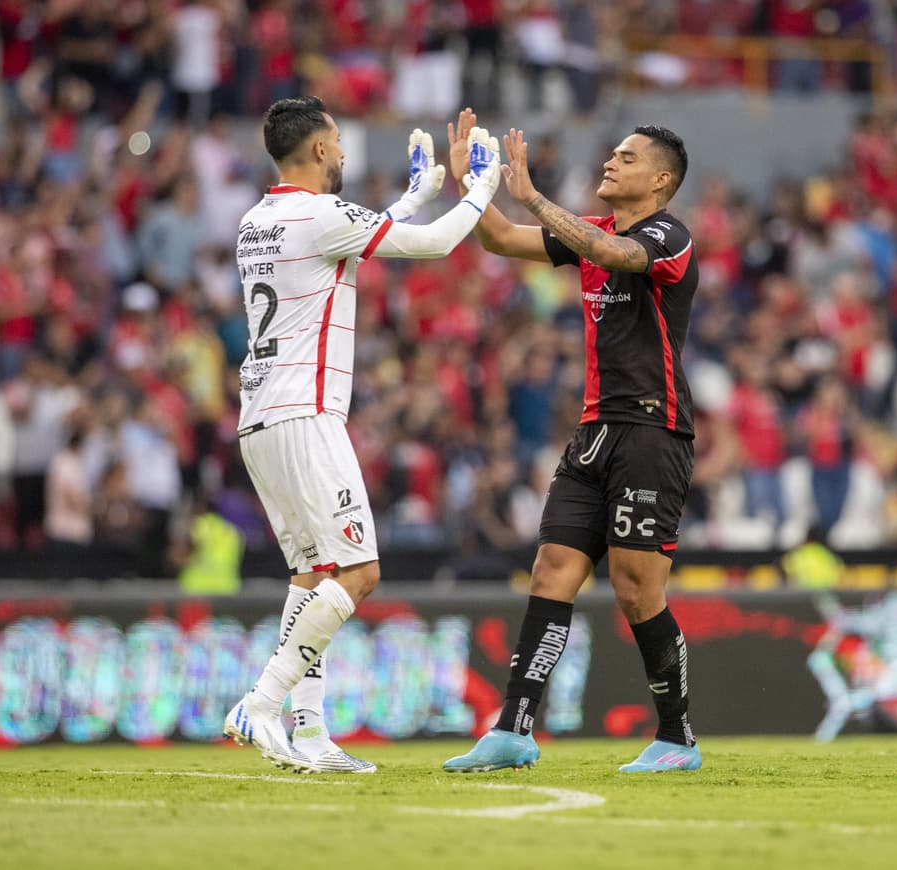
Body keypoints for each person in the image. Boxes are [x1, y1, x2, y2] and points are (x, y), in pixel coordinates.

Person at [222, 96, 502, 774]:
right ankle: (260, 703)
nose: (345, 154)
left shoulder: (256, 220)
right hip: (305, 414)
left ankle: (310, 733)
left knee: (312, 574)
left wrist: (411, 197)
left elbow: (351, 240)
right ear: (318, 150)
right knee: (359, 571)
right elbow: (434, 246)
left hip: (260, 418)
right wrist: (482, 187)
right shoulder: (319, 215)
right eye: (340, 142)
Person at [441, 110, 702, 773]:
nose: (610, 162)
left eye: (627, 157)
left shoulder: (668, 234)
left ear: (661, 178)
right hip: (593, 432)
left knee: (638, 589)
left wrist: (532, 196)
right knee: (552, 571)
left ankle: (676, 738)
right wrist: (469, 182)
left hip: (652, 430)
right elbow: (498, 237)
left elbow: (615, 255)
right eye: (611, 154)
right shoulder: (591, 232)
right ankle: (513, 730)